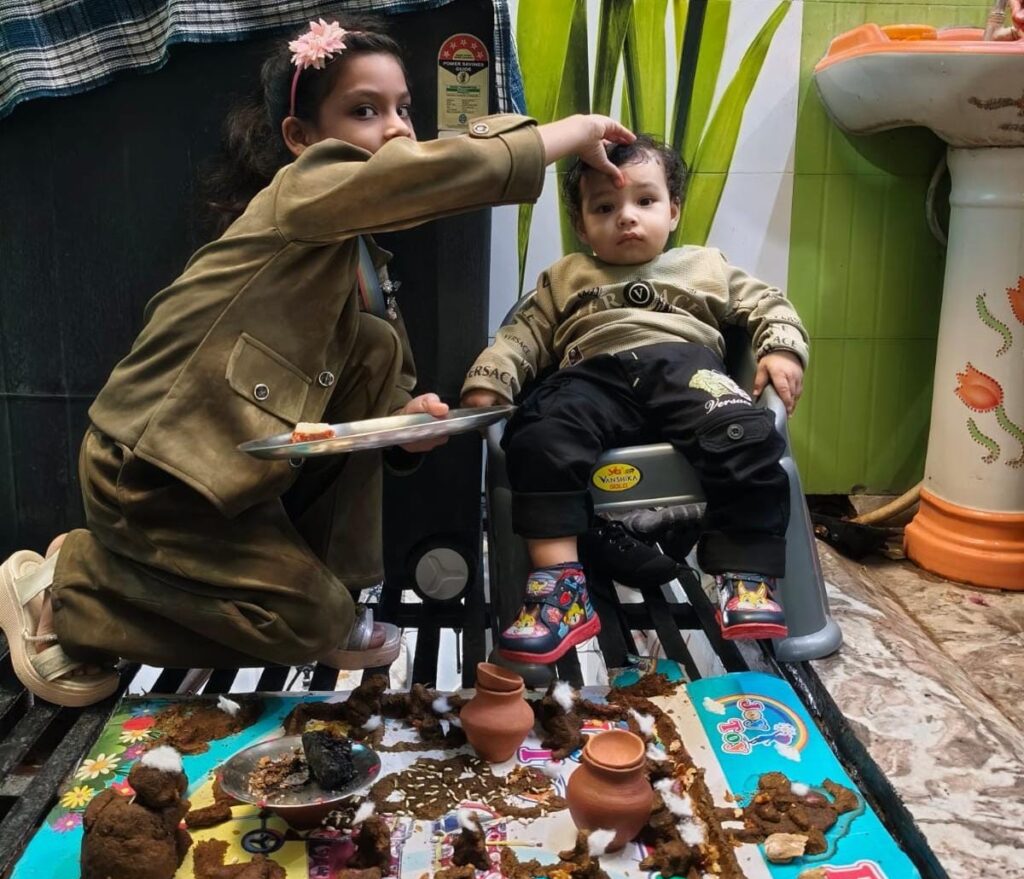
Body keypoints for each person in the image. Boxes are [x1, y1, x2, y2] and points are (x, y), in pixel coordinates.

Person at [0, 16, 635, 706]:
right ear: (301, 140)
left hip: (235, 485)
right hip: (155, 473)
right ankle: (71, 591)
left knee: (376, 348)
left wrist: (406, 424)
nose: (395, 129)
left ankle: (302, 593)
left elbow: (371, 391)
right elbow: (429, 176)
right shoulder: (299, 196)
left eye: (403, 109)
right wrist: (569, 132)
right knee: (306, 626)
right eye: (364, 111)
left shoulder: (361, 264)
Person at [461, 135, 808, 664]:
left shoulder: (705, 266)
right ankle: (560, 588)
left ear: (673, 211)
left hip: (686, 371)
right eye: (605, 207)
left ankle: (745, 574)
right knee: (539, 437)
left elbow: (767, 302)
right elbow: (521, 335)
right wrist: (490, 379)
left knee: (746, 432)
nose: (626, 217)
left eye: (645, 201)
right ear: (582, 226)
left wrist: (781, 349)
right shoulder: (564, 278)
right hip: (592, 379)